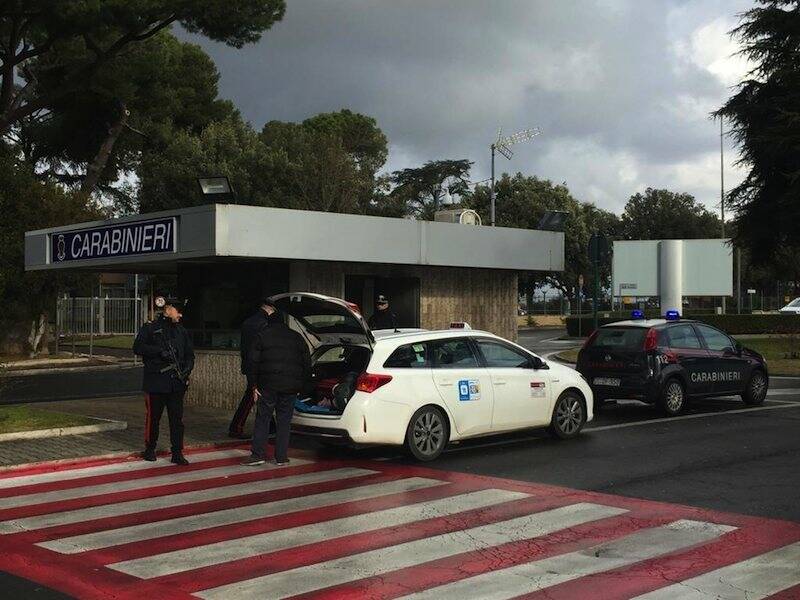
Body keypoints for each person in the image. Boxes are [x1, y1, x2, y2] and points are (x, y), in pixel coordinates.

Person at [241, 302, 311, 466]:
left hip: (267, 386)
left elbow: (253, 362)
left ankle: (258, 455)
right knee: (284, 421)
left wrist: (253, 385)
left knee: (263, 418)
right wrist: (302, 385)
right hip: (290, 387)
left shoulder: (262, 336)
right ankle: (281, 456)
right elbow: (306, 363)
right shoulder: (297, 337)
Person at [133, 296, 194, 465]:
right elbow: (137, 347)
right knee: (153, 419)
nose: (180, 315)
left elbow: (190, 354)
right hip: (156, 382)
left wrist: (187, 369)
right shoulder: (151, 328)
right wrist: (159, 352)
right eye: (178, 311)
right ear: (168, 310)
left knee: (177, 420)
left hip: (176, 383)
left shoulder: (181, 331)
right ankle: (150, 448)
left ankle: (177, 452)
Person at [228, 300, 274, 439]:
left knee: (261, 395)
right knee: (252, 395)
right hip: (260, 364)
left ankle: (270, 425)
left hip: (250, 363)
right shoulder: (264, 324)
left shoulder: (249, 322)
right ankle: (236, 428)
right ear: (270, 309)